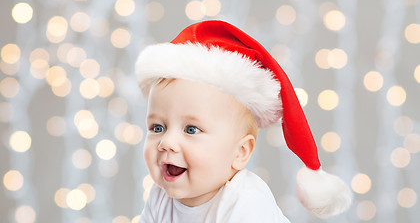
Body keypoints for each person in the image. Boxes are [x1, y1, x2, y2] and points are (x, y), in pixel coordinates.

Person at [135, 20, 352, 223]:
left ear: (240, 152)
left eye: (191, 129)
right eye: (158, 127)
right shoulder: (159, 197)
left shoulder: (246, 201)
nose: (166, 142)